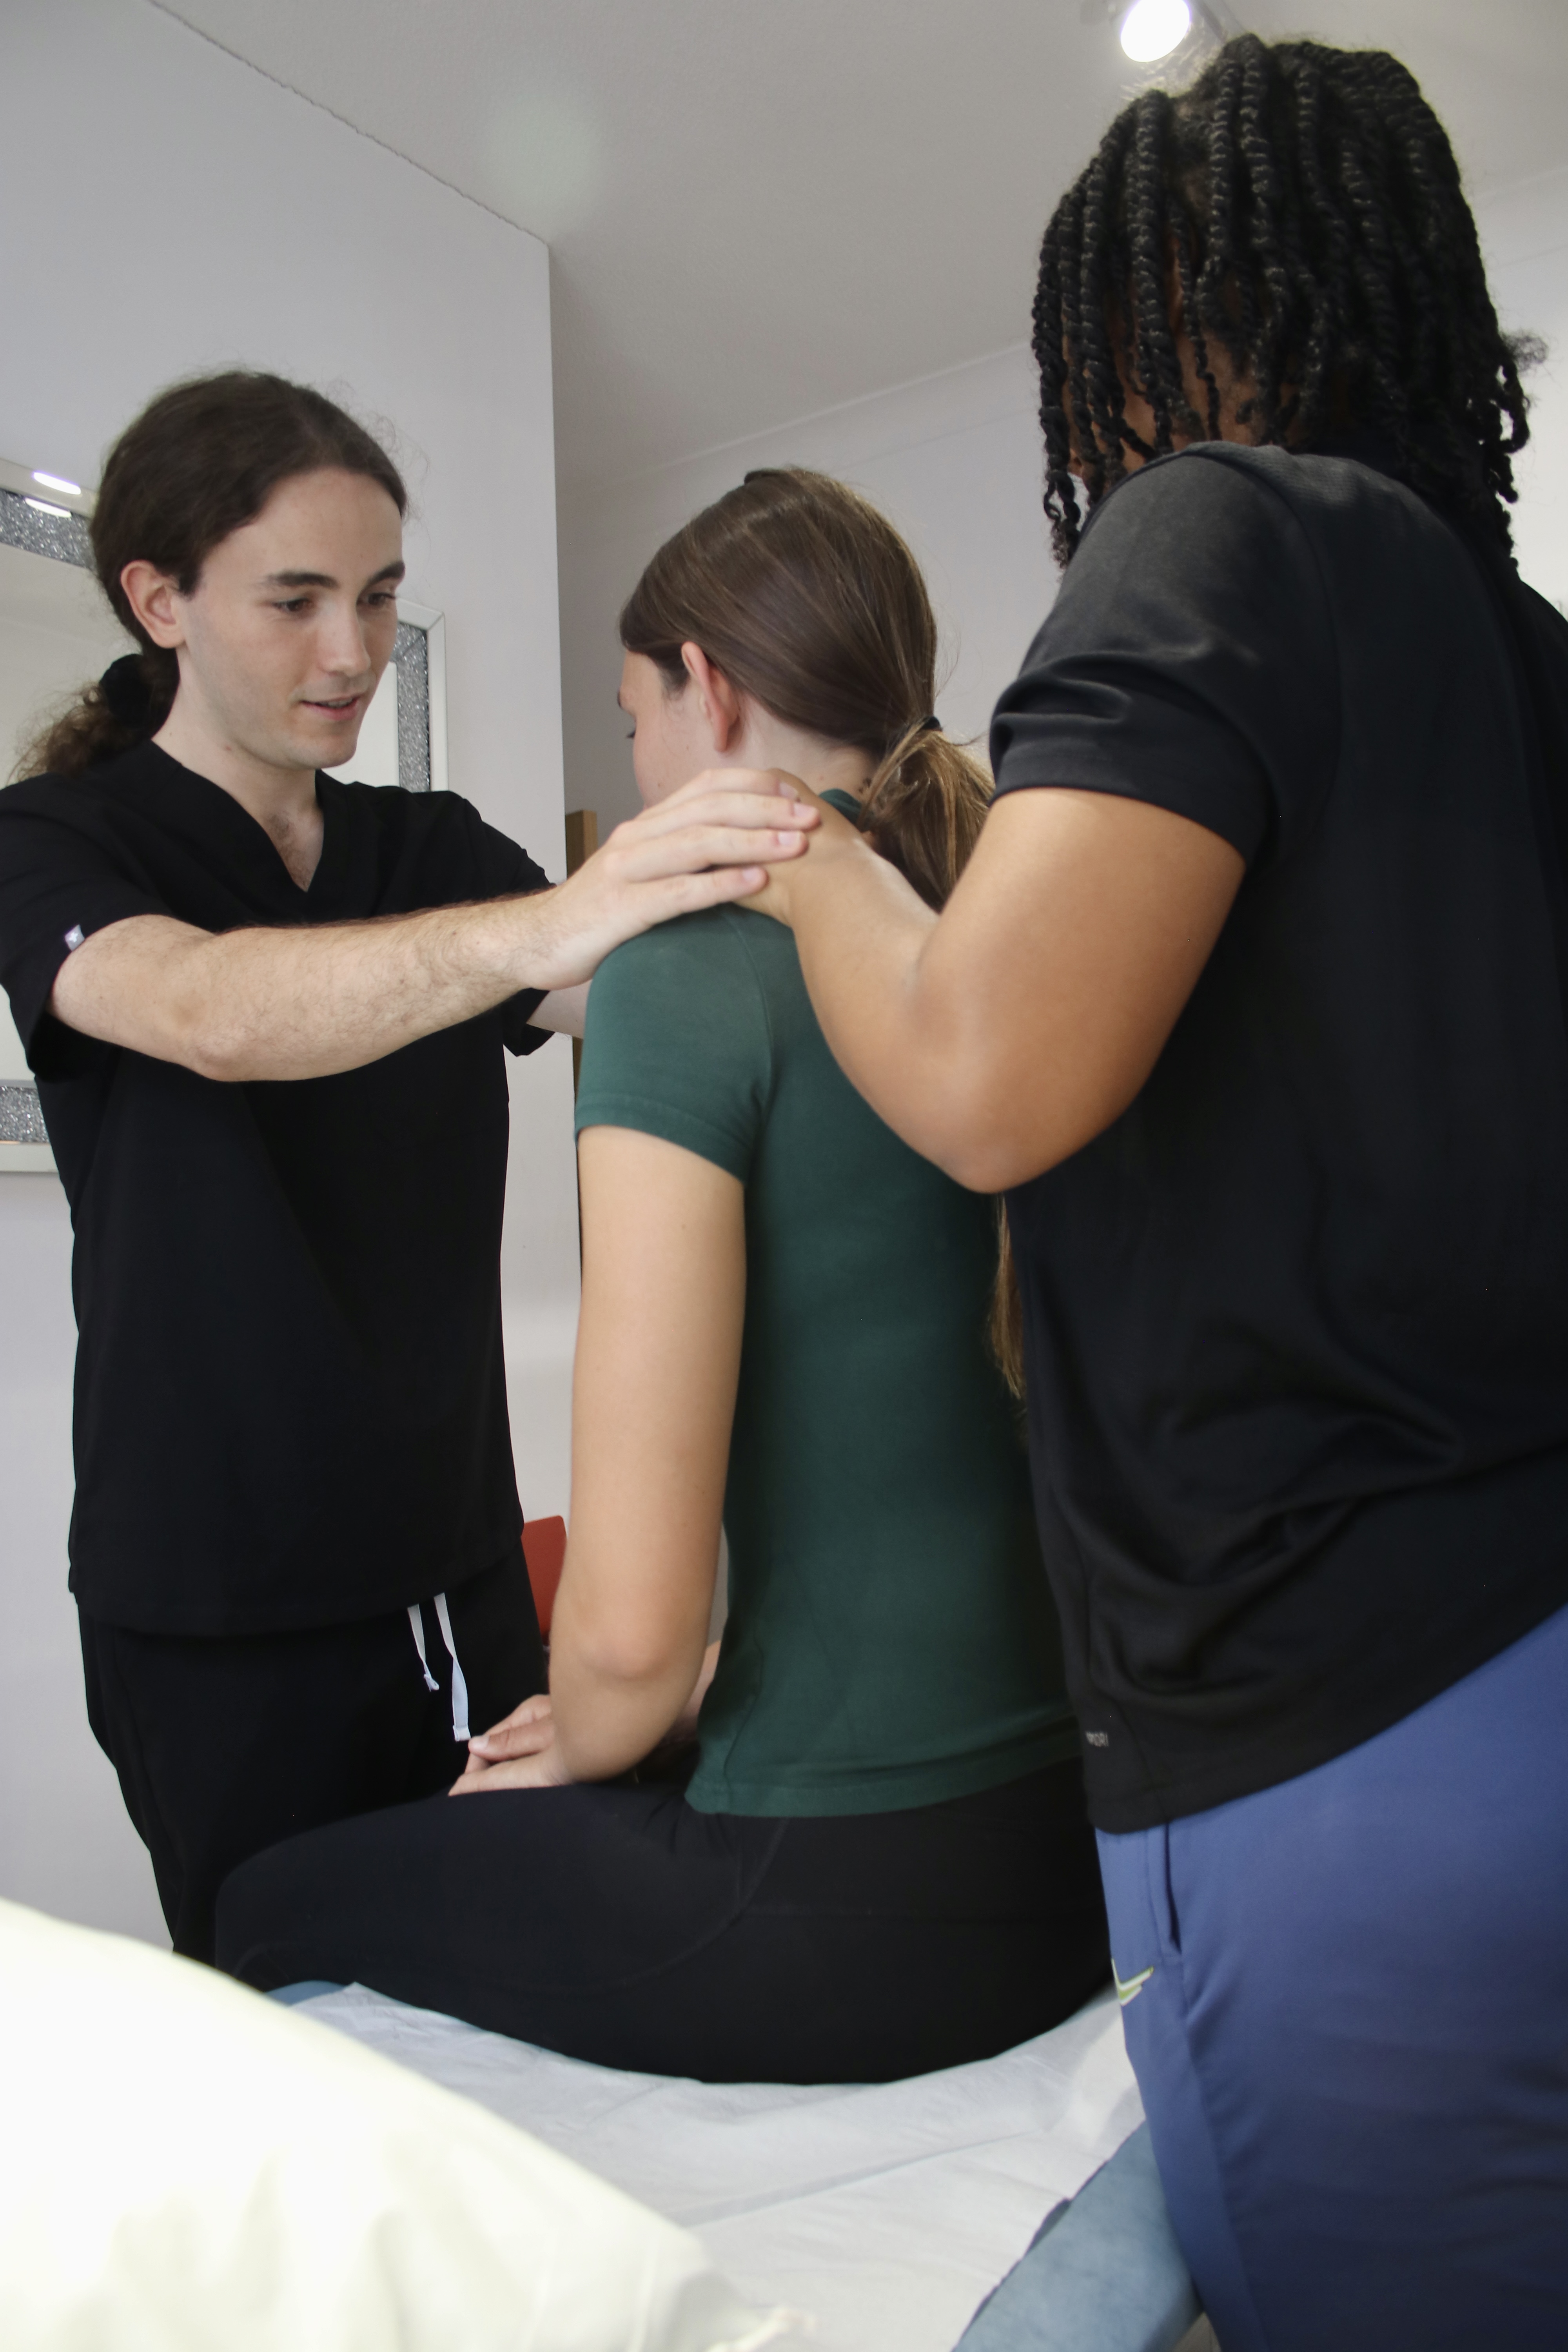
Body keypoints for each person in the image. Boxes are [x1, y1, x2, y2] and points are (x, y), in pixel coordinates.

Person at [634, 38, 1568, 2349]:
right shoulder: (1526, 657)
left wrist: (783, 847)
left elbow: (982, 1075)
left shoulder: (1226, 533)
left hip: (1346, 1729)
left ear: (1157, 328)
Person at [215, 468, 1110, 2084]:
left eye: (633, 716)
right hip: (1072, 1858)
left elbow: (621, 1634)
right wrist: (674, 1692)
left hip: (853, 1904)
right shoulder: (998, 937)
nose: (633, 766)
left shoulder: (686, 973)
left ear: (708, 688)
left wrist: (610, 1718)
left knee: (264, 1903)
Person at [0, 371, 814, 1964]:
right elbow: (205, 1010)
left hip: (462, 1570)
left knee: (535, 1987)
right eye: (296, 600)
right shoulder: (53, 841)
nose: (353, 653)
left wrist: (833, 864)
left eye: (375, 598)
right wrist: (557, 918)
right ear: (157, 599)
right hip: (218, 1610)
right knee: (302, 2038)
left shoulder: (430, 850)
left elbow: (649, 1001)